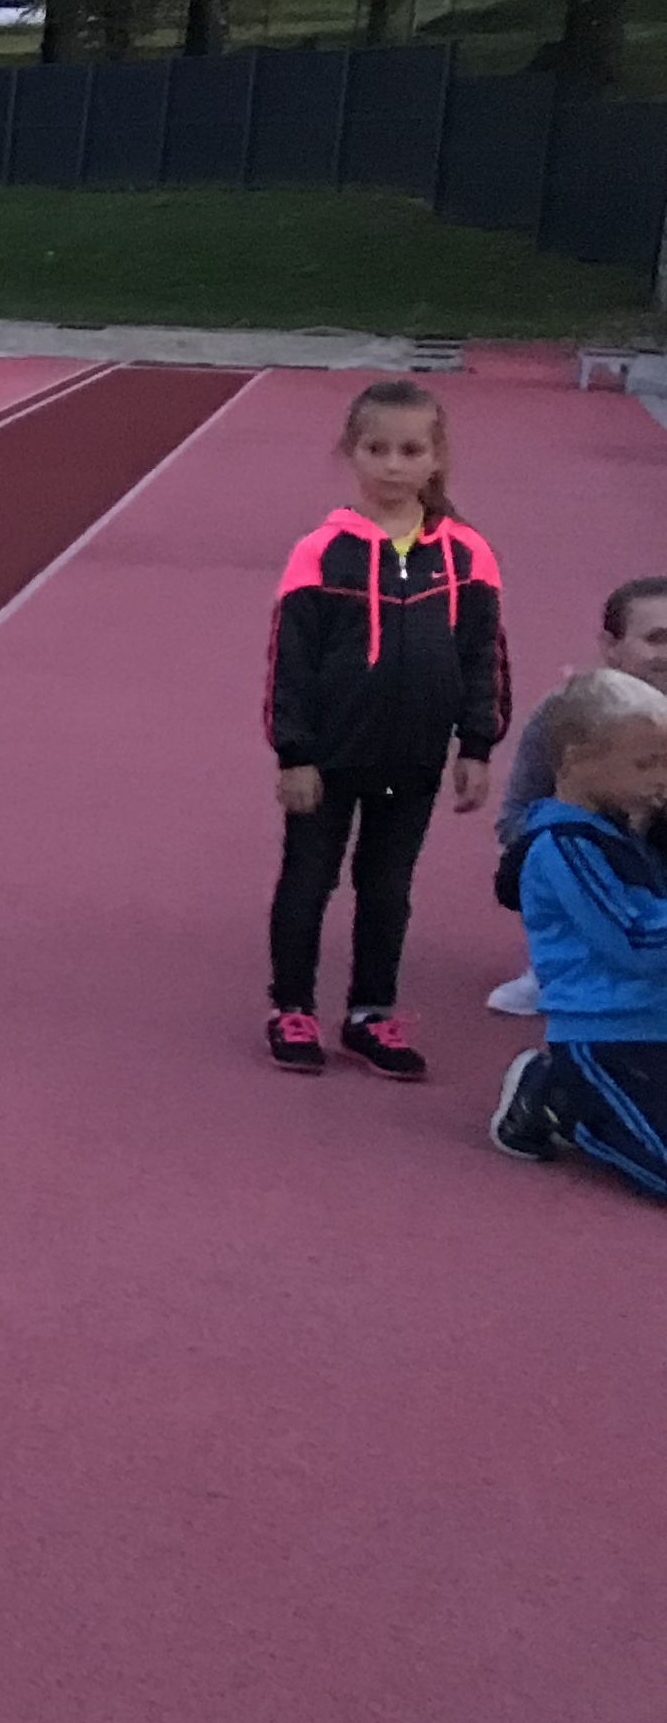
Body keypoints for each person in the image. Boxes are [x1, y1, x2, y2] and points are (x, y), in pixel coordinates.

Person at [262, 377, 507, 1080]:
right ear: (351, 452)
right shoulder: (319, 552)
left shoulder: (467, 554)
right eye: (376, 449)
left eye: (410, 450)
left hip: (412, 760)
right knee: (308, 881)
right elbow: (289, 660)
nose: (393, 465)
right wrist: (293, 753)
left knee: (388, 888)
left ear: (436, 457)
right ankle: (292, 1008)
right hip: (328, 759)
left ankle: (370, 1013)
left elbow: (483, 654)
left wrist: (477, 745)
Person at [490, 667, 667, 1189]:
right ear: (576, 763)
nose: (662, 778)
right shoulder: (564, 846)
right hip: (605, 1034)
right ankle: (557, 1096)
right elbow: (634, 943)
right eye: (646, 764)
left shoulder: (631, 829)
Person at [489, 575, 667, 1015]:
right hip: (593, 847)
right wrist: (588, 827)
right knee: (559, 848)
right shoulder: (565, 715)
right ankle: (568, 956)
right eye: (656, 639)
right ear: (611, 646)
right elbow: (515, 815)